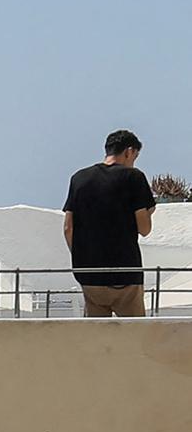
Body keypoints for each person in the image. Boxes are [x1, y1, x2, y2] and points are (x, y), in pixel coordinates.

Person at [65, 129, 156, 317]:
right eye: (135, 156)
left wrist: (82, 257)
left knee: (96, 338)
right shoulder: (134, 177)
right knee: (134, 337)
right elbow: (144, 229)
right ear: (129, 151)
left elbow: (68, 228)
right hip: (126, 274)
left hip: (90, 275)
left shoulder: (79, 178)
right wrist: (149, 212)